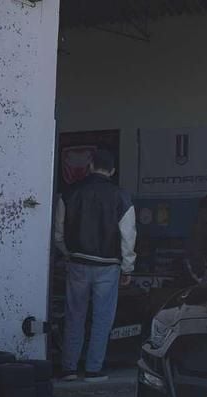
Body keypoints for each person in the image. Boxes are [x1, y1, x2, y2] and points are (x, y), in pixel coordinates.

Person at [53, 149, 136, 382]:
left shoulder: (69, 193)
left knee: (74, 316)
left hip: (77, 262)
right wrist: (128, 267)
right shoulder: (121, 196)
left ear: (90, 167)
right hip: (109, 266)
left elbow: (58, 234)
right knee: (102, 318)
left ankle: (68, 368)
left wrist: (69, 254)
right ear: (112, 170)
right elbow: (128, 236)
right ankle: (93, 369)